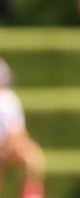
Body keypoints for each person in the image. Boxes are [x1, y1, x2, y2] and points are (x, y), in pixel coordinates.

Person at [0, 58, 44, 198]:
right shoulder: (9, 99)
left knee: (32, 157)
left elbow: (18, 133)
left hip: (8, 147)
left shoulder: (10, 99)